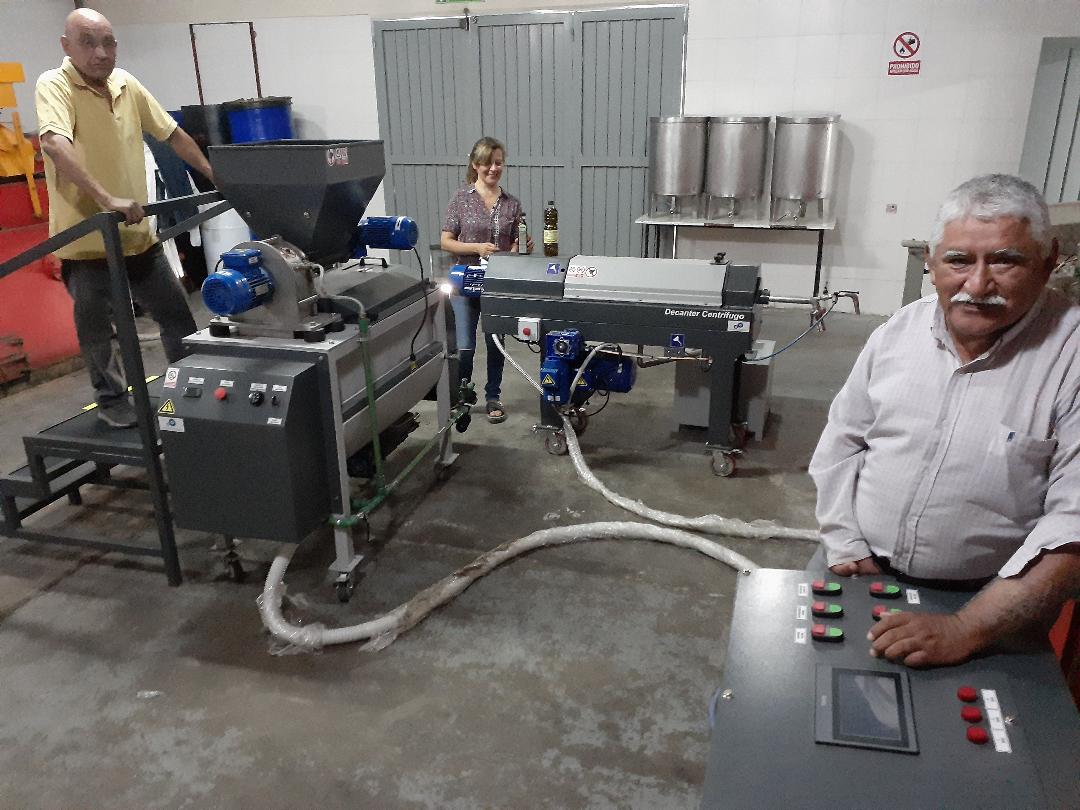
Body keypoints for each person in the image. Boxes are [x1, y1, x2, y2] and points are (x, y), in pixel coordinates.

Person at [809, 174, 1080, 669]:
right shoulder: (899, 331)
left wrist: (965, 628)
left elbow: (1073, 526)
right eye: (958, 260)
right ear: (931, 263)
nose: (977, 285)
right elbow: (843, 439)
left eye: (1005, 260)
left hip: (988, 605)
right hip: (855, 566)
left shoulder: (1070, 357)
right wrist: (845, 540)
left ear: (1048, 262)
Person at [35, 8, 215, 428]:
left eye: (108, 43)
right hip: (87, 242)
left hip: (137, 237)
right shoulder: (54, 85)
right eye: (88, 43)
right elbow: (55, 144)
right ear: (66, 46)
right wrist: (105, 198)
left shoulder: (126, 84)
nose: (101, 53)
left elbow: (172, 134)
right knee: (98, 332)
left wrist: (214, 175)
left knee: (177, 317)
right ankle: (112, 399)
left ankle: (189, 390)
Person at [440, 136, 532, 423]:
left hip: (496, 285)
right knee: (465, 347)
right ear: (475, 164)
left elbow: (518, 242)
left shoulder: (512, 204)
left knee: (496, 344)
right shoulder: (460, 199)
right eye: (488, 163)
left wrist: (518, 249)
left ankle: (493, 396)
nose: (494, 168)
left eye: (499, 163)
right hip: (464, 284)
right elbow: (446, 241)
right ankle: (463, 397)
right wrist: (477, 248)